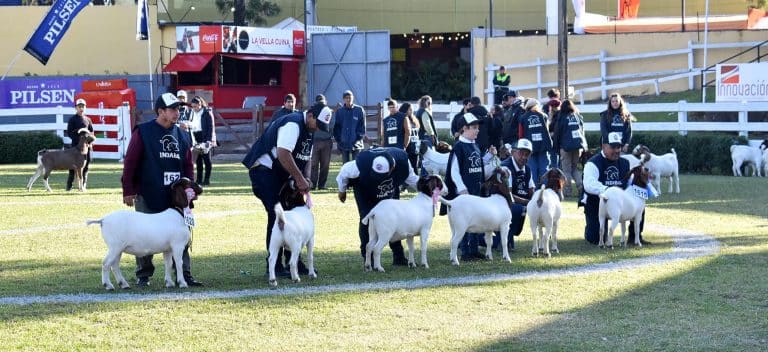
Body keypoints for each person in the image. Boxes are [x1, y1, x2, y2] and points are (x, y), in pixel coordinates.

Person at [243, 95, 332, 277]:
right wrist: (299, 179)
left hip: (281, 173)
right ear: (311, 116)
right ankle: (273, 266)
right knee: (276, 212)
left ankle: (294, 262)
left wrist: (305, 180)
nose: (318, 129)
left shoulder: (310, 129)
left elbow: (305, 157)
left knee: (292, 214)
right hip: (264, 170)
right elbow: (284, 154)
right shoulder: (293, 124)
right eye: (318, 124)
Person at [121, 93, 202, 287]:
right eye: (173, 109)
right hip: (148, 191)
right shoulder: (143, 132)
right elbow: (130, 162)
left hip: (176, 196)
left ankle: (185, 274)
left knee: (181, 233)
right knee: (145, 234)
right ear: (160, 111)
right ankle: (143, 275)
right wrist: (128, 189)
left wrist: (189, 187)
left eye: (178, 109)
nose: (177, 113)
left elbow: (188, 164)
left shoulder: (182, 134)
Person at [336, 147, 418, 266]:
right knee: (366, 220)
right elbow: (344, 172)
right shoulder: (360, 165)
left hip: (389, 189)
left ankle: (398, 256)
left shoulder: (403, 162)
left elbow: (413, 180)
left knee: (394, 219)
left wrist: (426, 192)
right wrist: (342, 190)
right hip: (365, 190)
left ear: (392, 169)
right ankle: (368, 258)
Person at [441, 113, 500, 261]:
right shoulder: (458, 147)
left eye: (478, 127)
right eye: (474, 127)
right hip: (464, 194)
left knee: (475, 221)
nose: (477, 130)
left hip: (476, 191)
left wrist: (490, 156)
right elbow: (454, 170)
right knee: (464, 222)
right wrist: (461, 189)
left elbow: (477, 163)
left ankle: (474, 250)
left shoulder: (474, 145)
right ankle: (465, 251)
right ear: (464, 129)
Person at [581, 132, 646, 245]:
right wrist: (609, 192)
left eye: (619, 147)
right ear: (603, 146)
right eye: (613, 147)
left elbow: (631, 182)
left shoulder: (625, 163)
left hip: (620, 202)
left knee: (639, 202)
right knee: (595, 239)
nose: (617, 150)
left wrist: (641, 189)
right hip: (598, 201)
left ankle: (634, 237)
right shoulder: (592, 163)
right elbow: (589, 184)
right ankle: (592, 231)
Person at [494, 139, 535, 251]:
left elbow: (532, 189)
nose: (524, 157)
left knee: (521, 209)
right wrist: (528, 203)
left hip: (516, 203)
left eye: (527, 154)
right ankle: (502, 241)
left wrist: (537, 200)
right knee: (519, 209)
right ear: (513, 152)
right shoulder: (506, 167)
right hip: (500, 203)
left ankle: (506, 239)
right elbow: (508, 194)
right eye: (521, 153)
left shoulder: (527, 169)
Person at [553, 99, 587, 197]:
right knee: (575, 169)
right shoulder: (577, 116)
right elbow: (582, 131)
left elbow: (557, 133)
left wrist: (556, 148)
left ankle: (568, 191)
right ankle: (581, 188)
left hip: (565, 147)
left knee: (566, 170)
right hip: (578, 146)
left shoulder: (562, 117)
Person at [518, 98, 552, 185]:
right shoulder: (544, 116)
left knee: (532, 170)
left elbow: (521, 135)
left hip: (529, 148)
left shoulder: (523, 118)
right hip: (543, 146)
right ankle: (546, 189)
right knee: (544, 169)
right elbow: (547, 131)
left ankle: (535, 192)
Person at [65, 98, 94, 191]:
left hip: (86, 148)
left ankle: (83, 185)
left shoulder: (88, 119)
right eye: (79, 106)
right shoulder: (72, 119)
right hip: (75, 147)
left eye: (83, 106)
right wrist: (78, 139)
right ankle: (69, 185)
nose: (81, 108)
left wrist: (90, 143)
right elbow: (69, 132)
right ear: (76, 108)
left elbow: (91, 133)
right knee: (72, 166)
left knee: (86, 165)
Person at [333, 90, 366, 162]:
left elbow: (362, 126)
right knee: (346, 166)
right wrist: (339, 140)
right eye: (346, 98)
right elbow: (337, 127)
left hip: (356, 144)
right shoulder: (339, 111)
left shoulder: (359, 110)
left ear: (353, 98)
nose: (348, 99)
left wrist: (357, 138)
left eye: (349, 97)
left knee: (357, 165)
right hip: (344, 143)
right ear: (343, 99)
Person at [310, 95, 334, 190]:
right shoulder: (311, 112)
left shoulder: (329, 112)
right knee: (314, 165)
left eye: (322, 101)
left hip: (326, 140)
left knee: (325, 165)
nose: (321, 103)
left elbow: (332, 125)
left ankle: (322, 185)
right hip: (315, 141)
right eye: (319, 101)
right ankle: (313, 184)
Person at [189, 96, 215, 185]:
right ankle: (199, 180)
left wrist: (208, 140)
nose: (194, 108)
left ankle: (207, 179)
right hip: (195, 136)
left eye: (195, 106)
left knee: (206, 160)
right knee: (198, 161)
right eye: (192, 106)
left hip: (204, 137)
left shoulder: (207, 112)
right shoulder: (191, 112)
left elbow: (210, 127)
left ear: (200, 104)